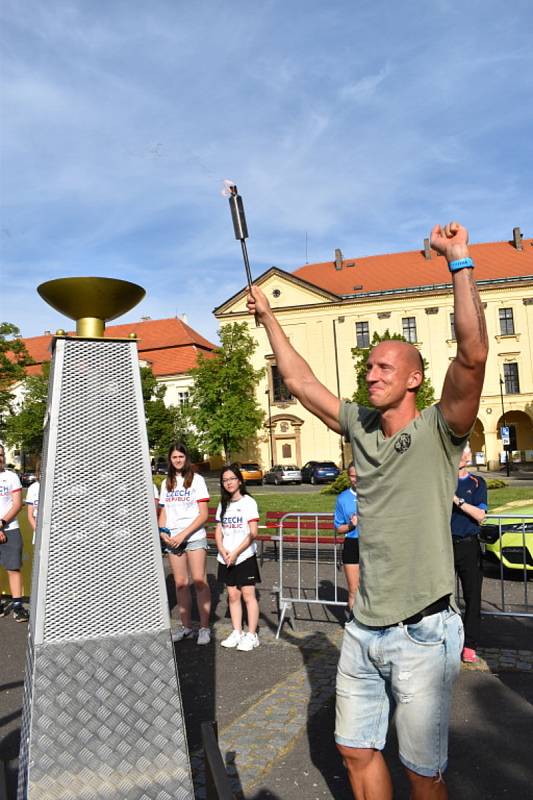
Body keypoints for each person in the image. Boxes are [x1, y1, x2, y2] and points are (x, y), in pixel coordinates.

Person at [247, 221, 488, 800]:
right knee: (355, 750)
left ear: (414, 378)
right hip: (363, 628)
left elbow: (475, 354)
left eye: (384, 367)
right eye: (369, 367)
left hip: (423, 632)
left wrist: (459, 262)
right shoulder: (361, 427)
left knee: (422, 772)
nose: (371, 374)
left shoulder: (440, 428)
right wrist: (270, 319)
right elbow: (301, 382)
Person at [159, 442, 212, 645]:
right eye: (174, 457)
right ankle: (186, 627)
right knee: (181, 584)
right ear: (170, 459)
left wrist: (184, 534)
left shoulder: (197, 480)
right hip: (172, 539)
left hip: (193, 537)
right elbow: (163, 512)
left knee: (199, 581)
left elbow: (204, 514)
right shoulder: (167, 483)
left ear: (186, 458)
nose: (178, 460)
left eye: (181, 456)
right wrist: (163, 532)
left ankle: (205, 628)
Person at [215, 464, 261, 652]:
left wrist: (235, 553)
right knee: (233, 596)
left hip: (244, 557)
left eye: (232, 479)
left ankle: (252, 635)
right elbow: (218, 531)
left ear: (239, 481)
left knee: (248, 596)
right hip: (225, 557)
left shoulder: (248, 502)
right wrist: (223, 550)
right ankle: (237, 632)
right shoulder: (223, 504)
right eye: (225, 480)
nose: (229, 483)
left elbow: (253, 532)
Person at [451, 443, 487, 665]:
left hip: (468, 545)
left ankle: (469, 645)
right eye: (463, 451)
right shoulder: (441, 481)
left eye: (468, 451)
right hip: (444, 545)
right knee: (439, 596)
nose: (467, 455)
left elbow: (480, 515)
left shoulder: (477, 482)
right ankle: (442, 640)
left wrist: (457, 500)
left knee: (472, 597)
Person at [0, 444, 28, 622]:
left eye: (1, 454)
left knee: (13, 568)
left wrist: (1, 525)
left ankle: (17, 606)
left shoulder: (11, 477)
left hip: (10, 528)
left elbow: (17, 504)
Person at [334, 462, 359, 611]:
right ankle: (355, 626)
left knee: (371, 591)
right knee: (353, 590)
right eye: (353, 476)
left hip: (372, 544)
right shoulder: (343, 498)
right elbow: (339, 528)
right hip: (352, 544)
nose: (356, 479)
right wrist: (351, 525)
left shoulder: (374, 496)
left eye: (359, 476)